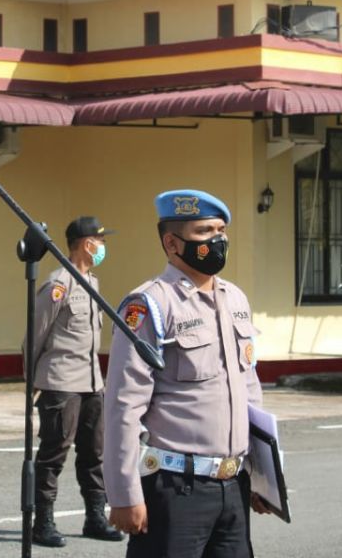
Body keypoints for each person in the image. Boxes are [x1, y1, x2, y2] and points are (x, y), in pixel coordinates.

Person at [103, 189, 264, 558]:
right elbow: (123, 406)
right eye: (205, 232)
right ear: (172, 243)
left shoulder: (236, 299)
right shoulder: (150, 304)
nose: (218, 241)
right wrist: (125, 494)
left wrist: (263, 479)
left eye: (221, 231)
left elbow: (250, 391)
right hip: (176, 490)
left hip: (233, 486)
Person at [26, 216, 124, 547]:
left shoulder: (91, 282)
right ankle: (43, 523)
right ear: (86, 243)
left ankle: (95, 518)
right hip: (61, 381)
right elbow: (35, 333)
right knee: (54, 454)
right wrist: (30, 381)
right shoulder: (58, 284)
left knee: (94, 454)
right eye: (101, 241)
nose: (103, 247)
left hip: (92, 381)